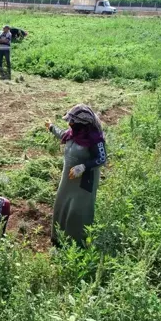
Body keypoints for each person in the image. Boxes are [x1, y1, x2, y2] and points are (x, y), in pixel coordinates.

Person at [46, 104, 107, 247]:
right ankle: (58, 238)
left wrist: (84, 166)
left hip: (83, 182)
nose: (70, 124)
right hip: (68, 180)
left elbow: (102, 158)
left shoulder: (95, 139)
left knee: (77, 211)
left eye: (72, 122)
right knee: (62, 205)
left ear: (83, 124)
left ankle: (75, 244)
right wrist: (51, 127)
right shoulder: (73, 134)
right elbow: (63, 135)